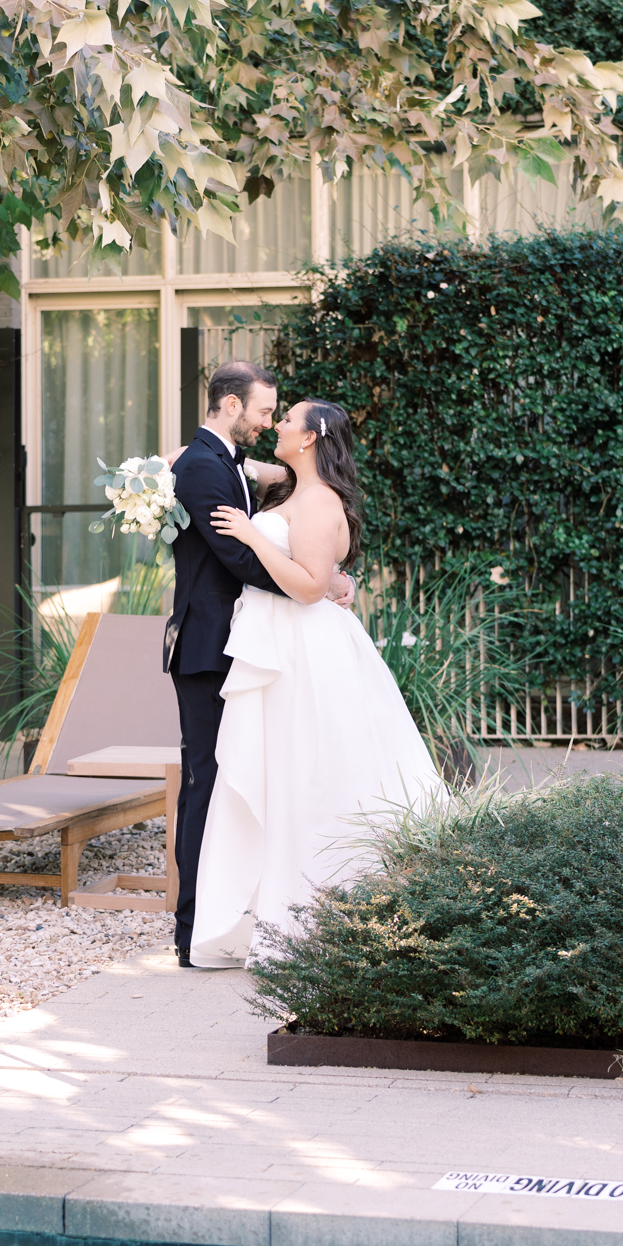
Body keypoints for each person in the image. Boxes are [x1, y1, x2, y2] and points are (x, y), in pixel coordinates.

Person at [189, 397, 440, 969]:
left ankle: (319, 910)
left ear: (309, 438)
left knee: (312, 774)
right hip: (277, 644)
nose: (275, 425)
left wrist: (252, 539)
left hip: (305, 650)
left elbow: (306, 587)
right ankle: (257, 913)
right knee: (273, 772)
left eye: (285, 419)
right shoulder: (287, 485)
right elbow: (209, 459)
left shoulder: (320, 501)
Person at [164, 361, 355, 969]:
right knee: (208, 783)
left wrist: (323, 576)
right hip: (209, 646)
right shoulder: (203, 464)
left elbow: (287, 511)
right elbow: (236, 560)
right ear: (229, 405)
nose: (270, 420)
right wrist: (314, 584)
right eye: (264, 411)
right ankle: (192, 927)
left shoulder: (226, 462)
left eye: (279, 416)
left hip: (247, 646)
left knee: (253, 778)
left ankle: (251, 909)